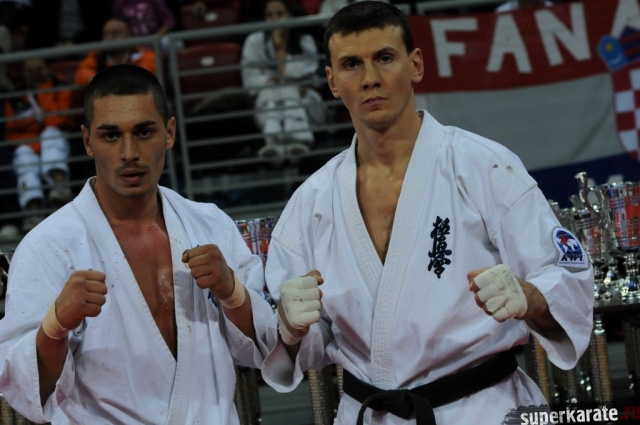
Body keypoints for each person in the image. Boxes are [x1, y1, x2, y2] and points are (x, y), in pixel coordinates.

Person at [260, 2, 594, 424]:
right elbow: (303, 345)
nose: (370, 78)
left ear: (415, 64)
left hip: (484, 408)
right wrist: (290, 327)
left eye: (385, 58)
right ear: (332, 81)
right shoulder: (310, 203)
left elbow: (567, 276)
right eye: (351, 64)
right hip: (371, 413)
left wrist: (528, 295)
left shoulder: (483, 166)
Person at [0, 64, 273, 424]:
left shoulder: (209, 225)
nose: (129, 152)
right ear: (87, 141)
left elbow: (267, 349)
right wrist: (55, 325)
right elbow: (28, 391)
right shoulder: (48, 246)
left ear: (169, 132)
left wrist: (233, 293)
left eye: (144, 132)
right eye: (111, 135)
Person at [241, 0, 326, 162]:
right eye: (270, 15)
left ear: (290, 16)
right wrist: (271, 81)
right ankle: (294, 142)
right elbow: (249, 80)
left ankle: (278, 143)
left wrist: (280, 50)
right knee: (277, 89)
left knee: (286, 89)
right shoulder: (254, 42)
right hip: (270, 99)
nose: (275, 19)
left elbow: (304, 72)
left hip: (305, 98)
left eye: (280, 14)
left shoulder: (304, 40)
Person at [4, 58, 74, 233]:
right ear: (23, 73)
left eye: (39, 69)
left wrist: (43, 89)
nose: (34, 74)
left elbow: (56, 120)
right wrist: (34, 141)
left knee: (50, 134)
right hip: (31, 143)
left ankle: (60, 187)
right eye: (29, 70)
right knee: (23, 153)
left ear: (48, 69)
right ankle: (33, 209)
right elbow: (11, 133)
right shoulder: (16, 96)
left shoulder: (61, 86)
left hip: (61, 136)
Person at [75, 18, 157, 86]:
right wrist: (95, 79)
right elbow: (82, 72)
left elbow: (146, 71)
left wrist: (108, 81)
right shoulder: (97, 55)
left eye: (115, 33)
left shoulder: (143, 52)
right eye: (105, 34)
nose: (110, 37)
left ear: (129, 35)